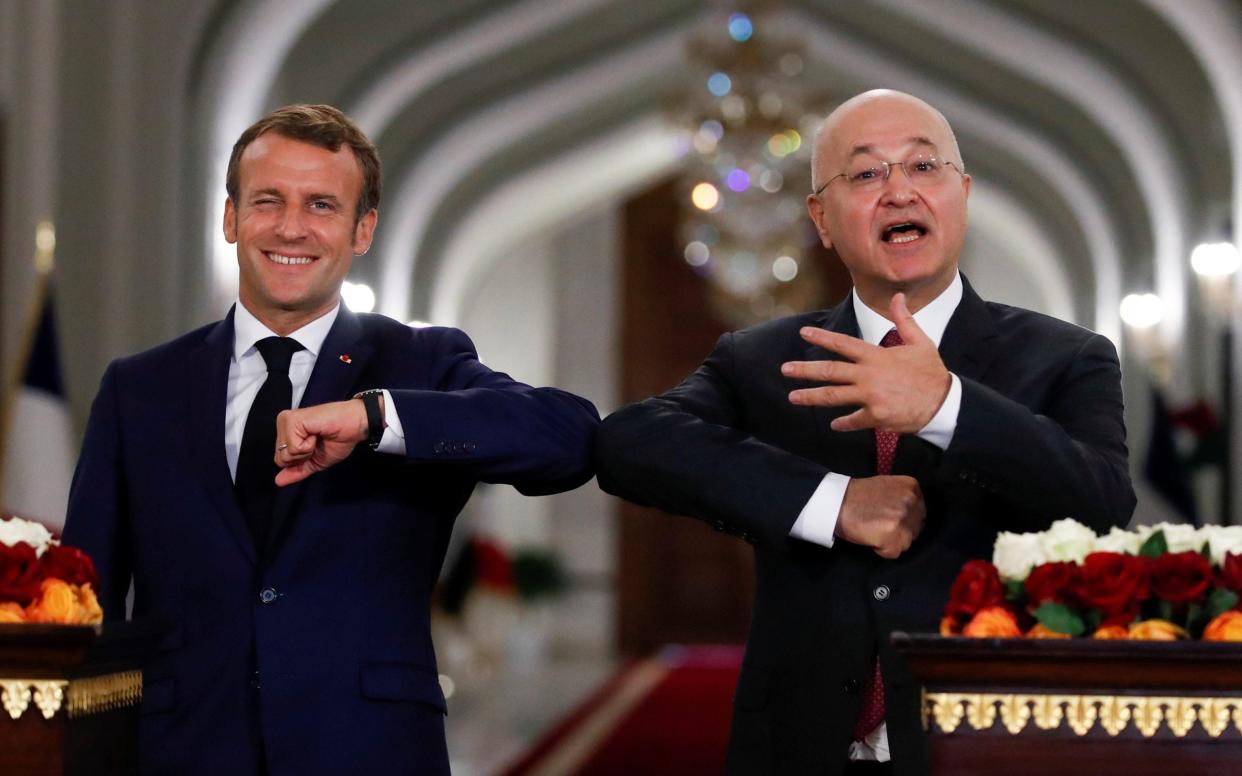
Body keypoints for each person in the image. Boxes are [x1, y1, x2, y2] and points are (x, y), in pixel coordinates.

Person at [593, 90, 1135, 776]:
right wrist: (831, 503)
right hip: (796, 749)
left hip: (983, 747)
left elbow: (1105, 504)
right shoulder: (763, 358)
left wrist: (945, 405)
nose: (899, 192)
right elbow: (628, 444)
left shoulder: (1067, 356)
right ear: (821, 218)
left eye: (923, 167)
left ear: (963, 195)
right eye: (866, 174)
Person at [63, 104, 599, 775]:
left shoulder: (421, 364)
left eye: (321, 204)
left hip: (367, 750)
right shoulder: (138, 389)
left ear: (362, 229)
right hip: (180, 752)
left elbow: (570, 437)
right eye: (268, 201)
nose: (292, 227)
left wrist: (377, 420)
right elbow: (85, 610)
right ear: (230, 218)